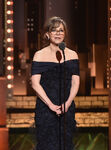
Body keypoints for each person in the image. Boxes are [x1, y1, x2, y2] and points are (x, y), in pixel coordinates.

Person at [31, 16, 80, 150]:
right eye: (54, 30)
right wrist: (51, 105)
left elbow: (75, 82)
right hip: (45, 108)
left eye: (61, 30)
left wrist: (68, 103)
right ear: (47, 34)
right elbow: (35, 83)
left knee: (65, 143)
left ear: (65, 34)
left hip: (66, 107)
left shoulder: (72, 55)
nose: (58, 33)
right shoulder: (39, 55)